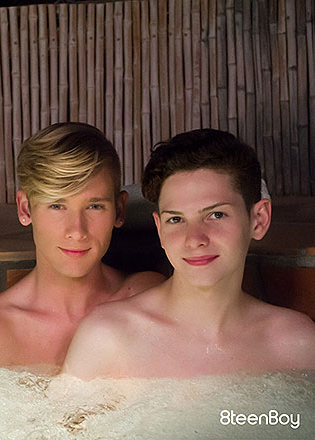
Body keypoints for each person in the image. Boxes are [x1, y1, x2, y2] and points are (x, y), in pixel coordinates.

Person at [62, 128, 315, 379]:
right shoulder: (109, 339)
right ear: (160, 230)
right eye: (176, 219)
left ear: (259, 219)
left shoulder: (298, 344)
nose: (194, 239)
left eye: (216, 215)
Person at [0, 122, 165, 372]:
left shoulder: (146, 298)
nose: (77, 231)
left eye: (94, 206)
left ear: (119, 209)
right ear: (25, 209)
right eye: (57, 206)